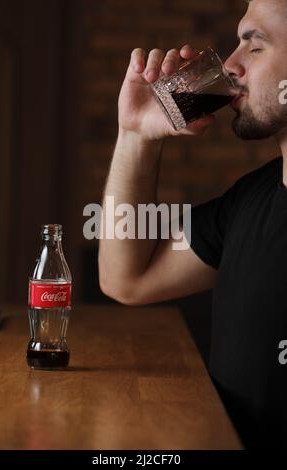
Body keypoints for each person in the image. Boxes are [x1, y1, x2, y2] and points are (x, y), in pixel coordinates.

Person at [98, 0, 287, 448]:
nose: (231, 66)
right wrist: (137, 136)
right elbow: (127, 279)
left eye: (254, 47)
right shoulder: (252, 199)